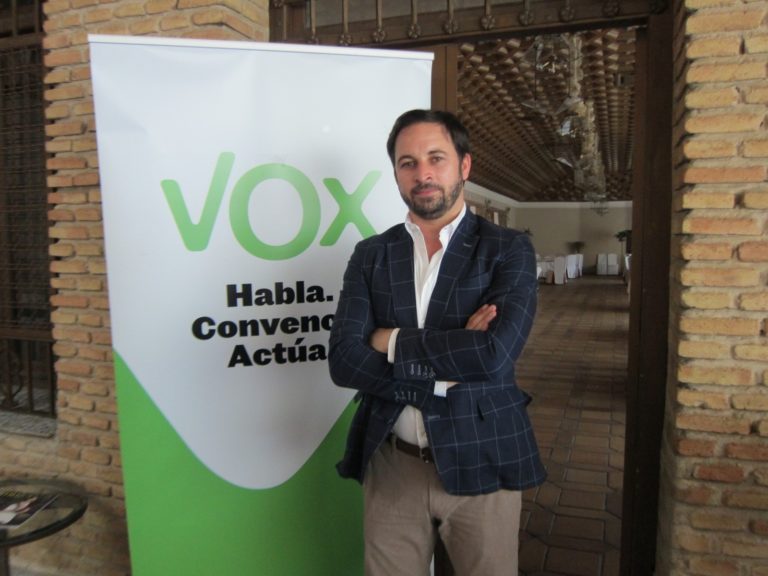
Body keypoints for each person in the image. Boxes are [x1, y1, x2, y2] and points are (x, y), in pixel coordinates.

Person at [328, 109, 546, 575]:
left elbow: (493, 356)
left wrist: (389, 340)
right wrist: (450, 361)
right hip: (394, 464)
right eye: (407, 162)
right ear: (395, 173)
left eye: (436, 158)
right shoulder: (371, 254)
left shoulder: (507, 249)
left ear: (464, 165)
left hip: (482, 454)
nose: (422, 173)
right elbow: (344, 361)